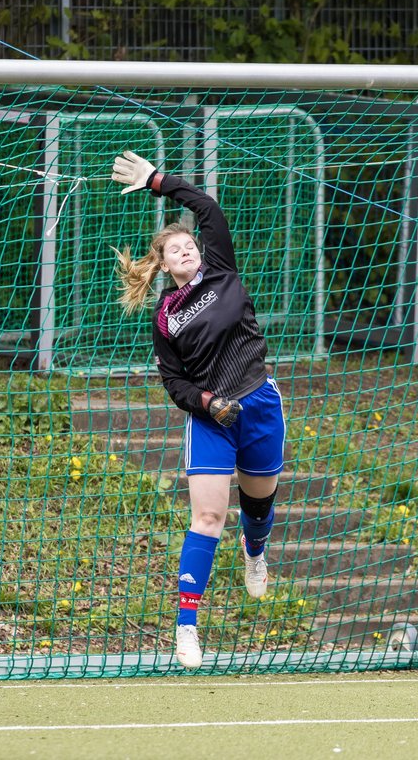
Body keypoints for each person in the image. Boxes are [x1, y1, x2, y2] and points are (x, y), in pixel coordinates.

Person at [112, 151, 285, 671]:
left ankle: (255, 550)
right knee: (207, 517)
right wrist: (207, 402)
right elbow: (174, 382)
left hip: (258, 402)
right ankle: (186, 630)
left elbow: (206, 208)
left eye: (190, 244)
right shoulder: (166, 315)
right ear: (163, 264)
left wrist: (157, 182)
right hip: (212, 420)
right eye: (176, 249)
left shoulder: (222, 272)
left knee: (258, 505)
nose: (187, 250)